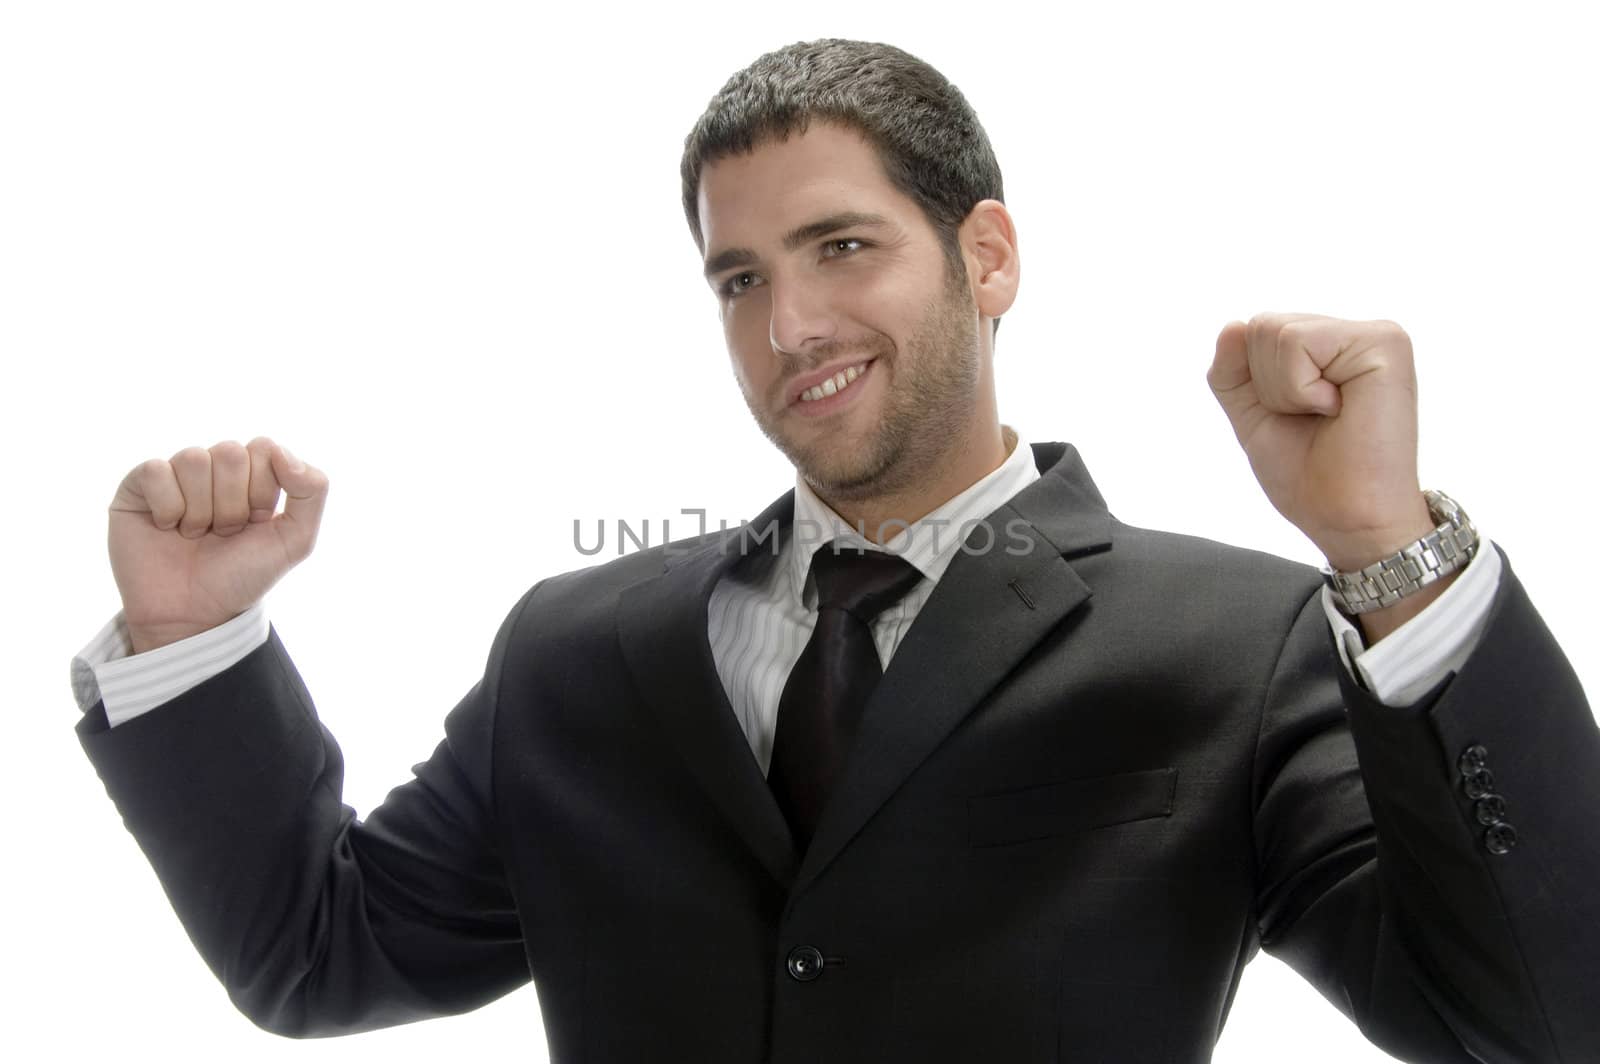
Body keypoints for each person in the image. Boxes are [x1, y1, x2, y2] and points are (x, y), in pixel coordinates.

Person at [70, 37, 1598, 1063]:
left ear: (986, 257)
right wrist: (194, 644)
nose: (788, 326)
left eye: (842, 248)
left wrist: (1387, 552)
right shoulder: (579, 648)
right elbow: (319, 955)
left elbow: (1532, 1021)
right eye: (737, 277)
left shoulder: (1237, 644)